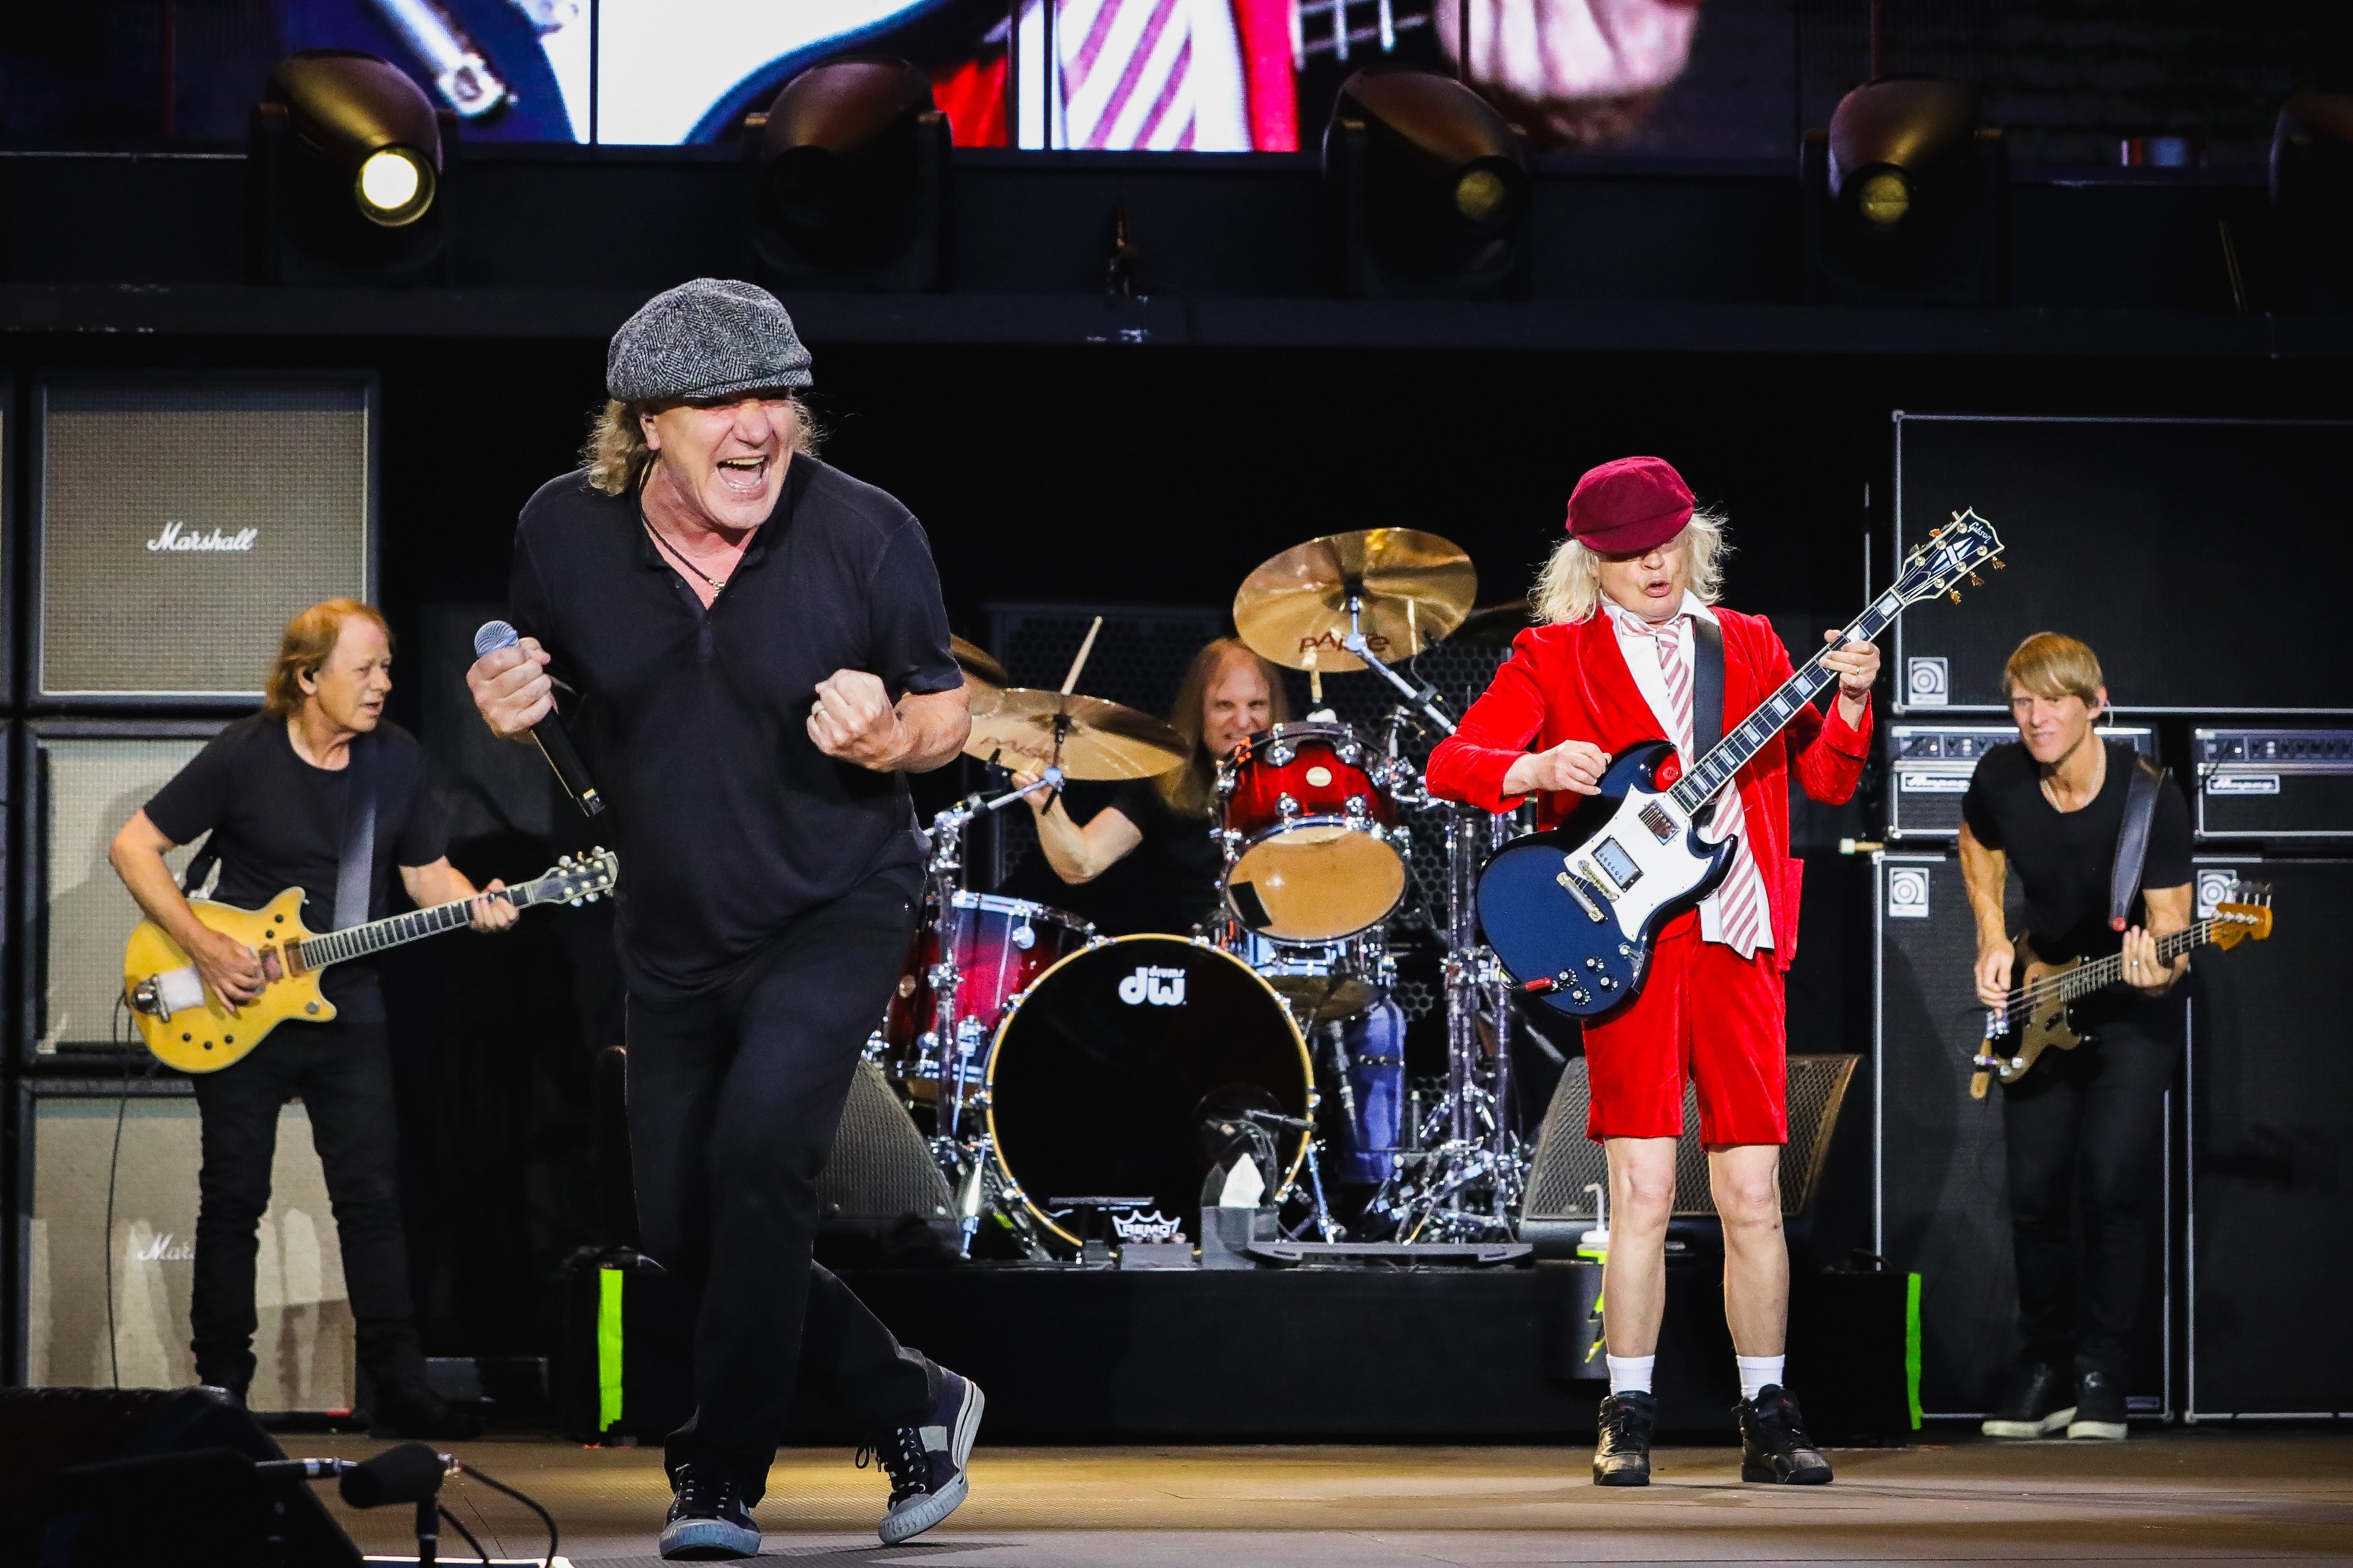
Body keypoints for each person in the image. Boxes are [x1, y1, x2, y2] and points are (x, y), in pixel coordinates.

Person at [466, 279, 980, 1560]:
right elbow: (536, 676)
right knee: (681, 1228)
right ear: (647, 424)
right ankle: (910, 1397)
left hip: (834, 903)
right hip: (673, 926)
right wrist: (507, 699)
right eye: (720, 403)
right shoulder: (561, 529)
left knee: (760, 1158)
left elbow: (947, 708)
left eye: (776, 396)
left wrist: (891, 739)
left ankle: (714, 1472)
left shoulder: (865, 531)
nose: (758, 426)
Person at [1425, 456, 1877, 1488]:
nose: (1656, 567)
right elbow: (1453, 764)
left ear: (1693, 539)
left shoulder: (1750, 642)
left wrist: (1850, 700)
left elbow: (1823, 779)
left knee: (1753, 1192)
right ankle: (1626, 1409)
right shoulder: (1554, 653)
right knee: (1641, 1186)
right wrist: (1535, 767)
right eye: (1631, 555)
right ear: (1592, 561)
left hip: (1738, 931)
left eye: (1669, 545)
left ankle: (1768, 1410)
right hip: (1627, 945)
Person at [109, 598, 515, 1439]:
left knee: (371, 1200)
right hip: (236, 1002)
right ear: (307, 677)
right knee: (233, 1198)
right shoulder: (245, 753)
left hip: (346, 1006)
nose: (383, 683)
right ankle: (222, 1388)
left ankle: (400, 1386)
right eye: (364, 668)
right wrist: (204, 947)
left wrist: (477, 901)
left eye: (386, 666)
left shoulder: (394, 760)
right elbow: (133, 847)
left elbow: (427, 876)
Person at [1961, 633, 2191, 1444]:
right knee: (2032, 1195)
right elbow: (1977, 840)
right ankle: (2046, 1368)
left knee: (2110, 1183)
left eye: (2053, 702)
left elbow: (2172, 933)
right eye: (2022, 703)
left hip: (2131, 1012)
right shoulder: (1999, 776)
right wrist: (1993, 936)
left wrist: (2156, 970)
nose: (2035, 719)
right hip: (2042, 1001)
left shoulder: (2148, 798)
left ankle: (2103, 1376)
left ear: (2094, 705)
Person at [1005, 636, 1288, 937]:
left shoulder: (1300, 782)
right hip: (1188, 955)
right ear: (1199, 713)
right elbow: (1082, 864)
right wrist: (1046, 806)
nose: (1243, 721)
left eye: (1256, 704)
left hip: (1289, 951)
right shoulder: (1164, 781)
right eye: (1224, 705)